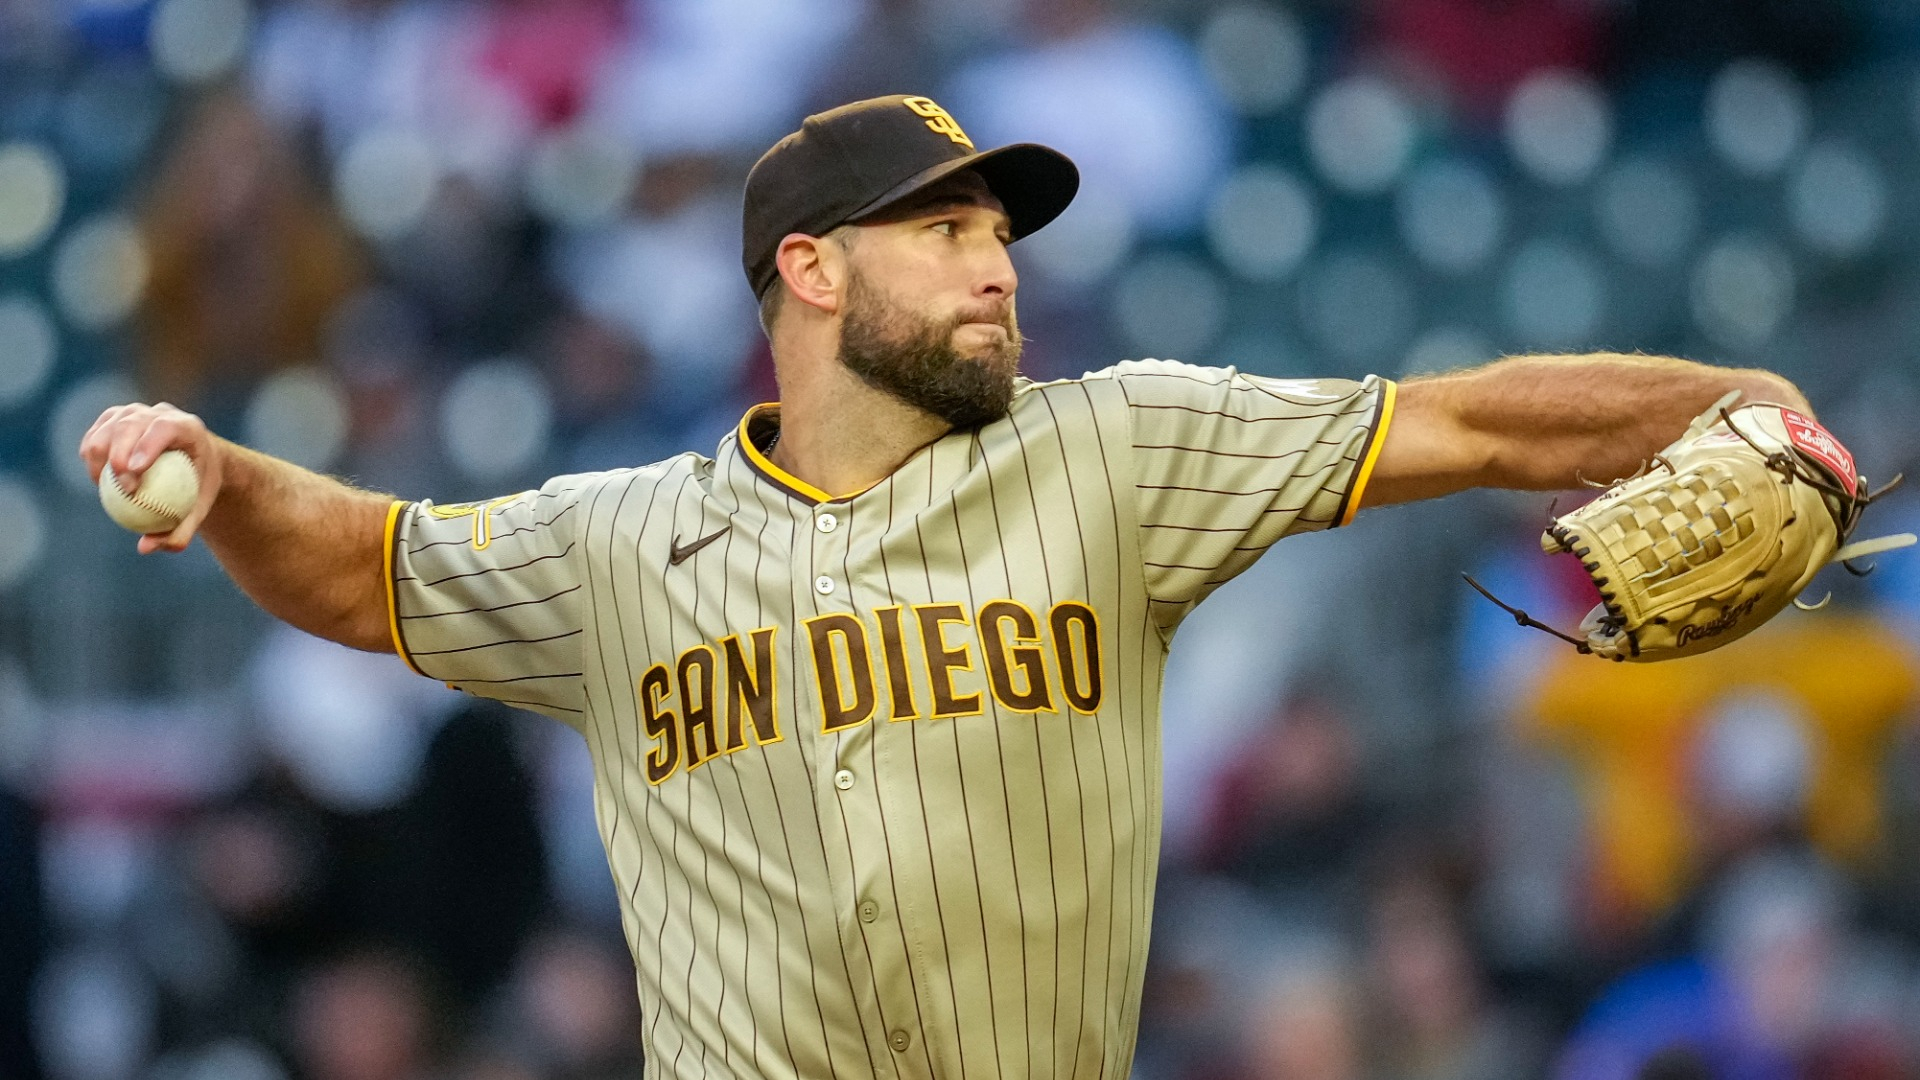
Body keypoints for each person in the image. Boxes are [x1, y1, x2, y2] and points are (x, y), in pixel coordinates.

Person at [81, 94, 1812, 1079]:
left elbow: (1464, 421)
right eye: (949, 233)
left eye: (1004, 233)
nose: (999, 267)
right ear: (813, 274)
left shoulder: (1121, 450)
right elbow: (371, 572)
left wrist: (1722, 411)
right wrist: (229, 482)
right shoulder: (618, 542)